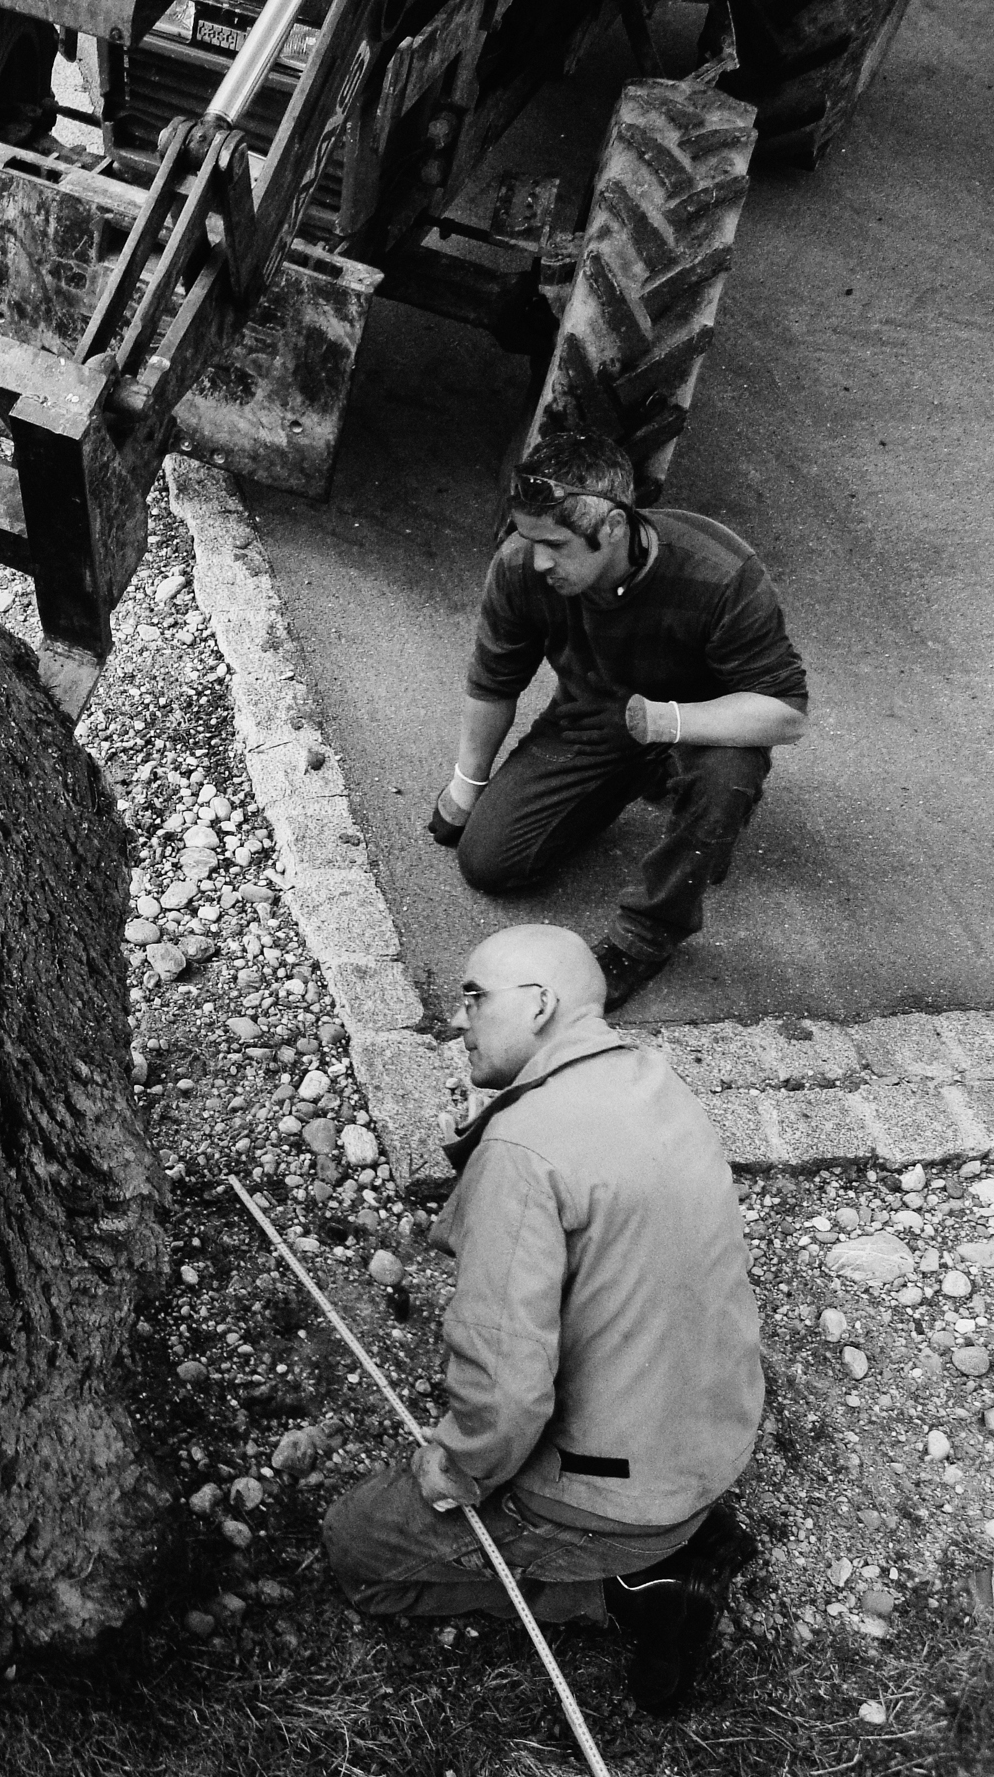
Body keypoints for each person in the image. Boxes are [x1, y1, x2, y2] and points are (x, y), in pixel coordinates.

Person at [320, 923, 763, 1713]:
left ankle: (637, 1591)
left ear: (539, 1005)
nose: (457, 1021)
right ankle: (676, 1532)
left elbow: (507, 1387)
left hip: (617, 1497)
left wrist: (455, 1469)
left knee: (357, 1545)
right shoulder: (651, 1079)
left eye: (474, 999)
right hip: (714, 1437)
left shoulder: (524, 1150)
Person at [427, 430, 810, 1009]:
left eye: (553, 543)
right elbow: (493, 682)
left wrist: (666, 723)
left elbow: (785, 713)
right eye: (527, 539)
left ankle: (647, 937)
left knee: (728, 772)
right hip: (592, 724)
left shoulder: (721, 571)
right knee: (488, 863)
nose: (537, 560)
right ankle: (640, 785)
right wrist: (465, 787)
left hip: (699, 730)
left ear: (611, 528)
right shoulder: (520, 569)